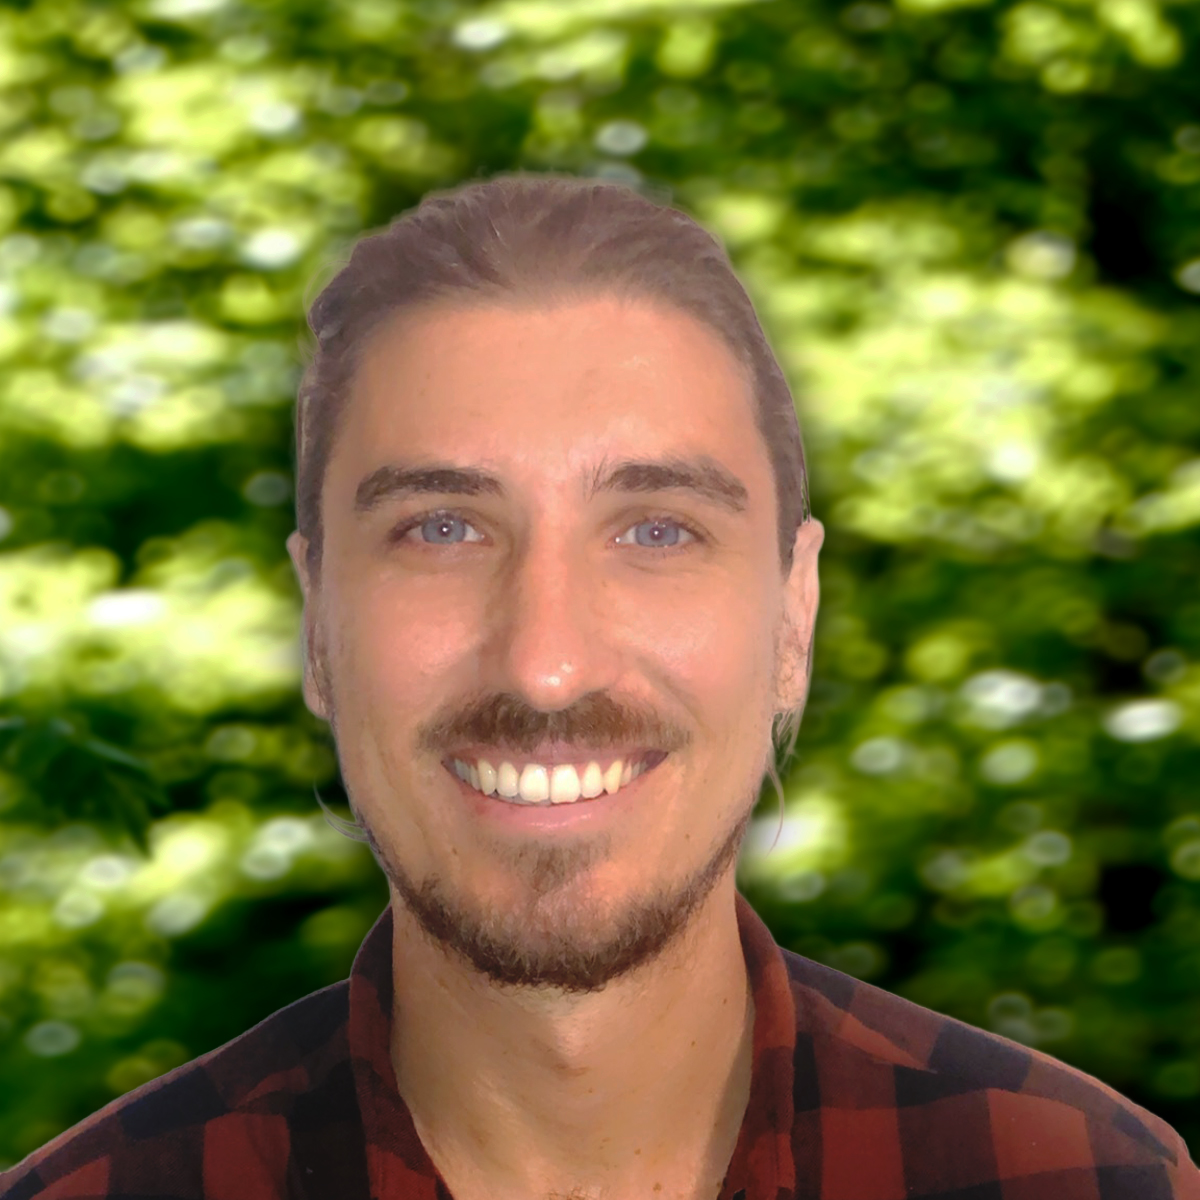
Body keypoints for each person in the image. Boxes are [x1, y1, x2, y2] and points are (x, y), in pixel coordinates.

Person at [1, 172, 1196, 1200]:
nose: (546, 665)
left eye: (658, 530)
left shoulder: (1080, 1178)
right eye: (441, 528)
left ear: (794, 616)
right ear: (318, 627)